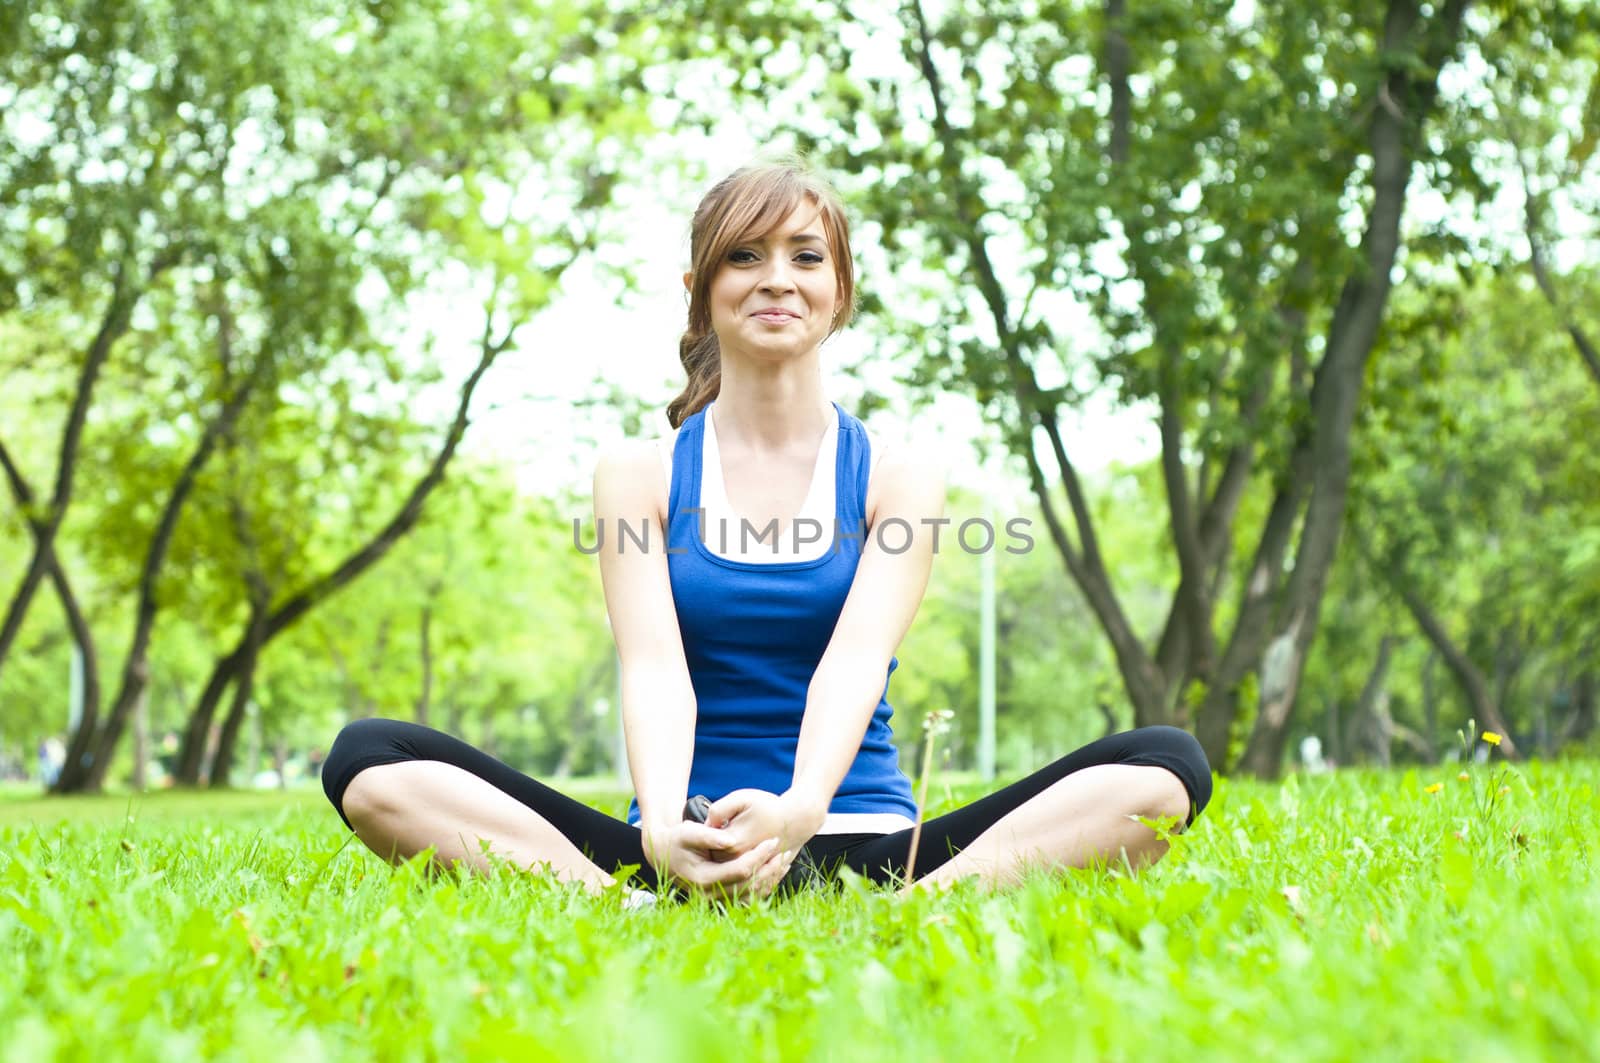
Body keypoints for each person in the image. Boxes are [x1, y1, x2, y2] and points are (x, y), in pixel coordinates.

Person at [320, 156, 1212, 903]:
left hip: (865, 844)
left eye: (804, 255)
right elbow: (654, 666)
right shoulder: (639, 475)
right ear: (701, 289)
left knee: (1164, 769)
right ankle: (628, 906)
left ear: (840, 288)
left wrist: (796, 812)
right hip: (679, 847)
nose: (776, 277)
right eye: (744, 256)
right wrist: (666, 829)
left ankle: (920, 906)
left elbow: (855, 662)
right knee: (369, 763)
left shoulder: (899, 476)